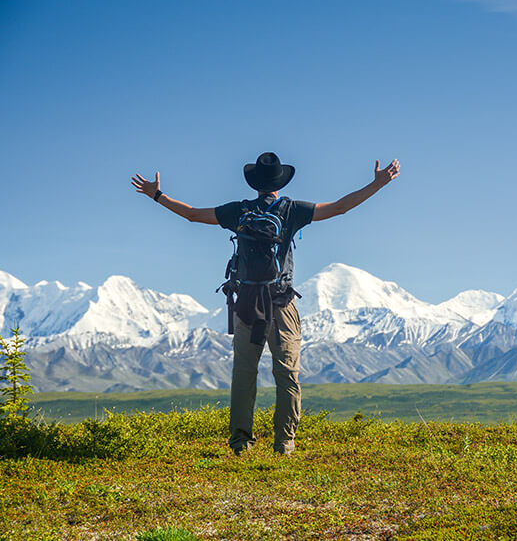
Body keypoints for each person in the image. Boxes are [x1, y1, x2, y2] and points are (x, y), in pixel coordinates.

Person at [130, 152, 401, 455]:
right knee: (287, 374)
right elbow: (340, 208)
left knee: (244, 373)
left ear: (255, 183)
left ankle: (239, 443)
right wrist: (378, 184)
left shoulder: (239, 211)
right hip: (281, 303)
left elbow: (192, 214)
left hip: (246, 302)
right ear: (280, 181)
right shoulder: (292, 210)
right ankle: (284, 443)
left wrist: (157, 195)